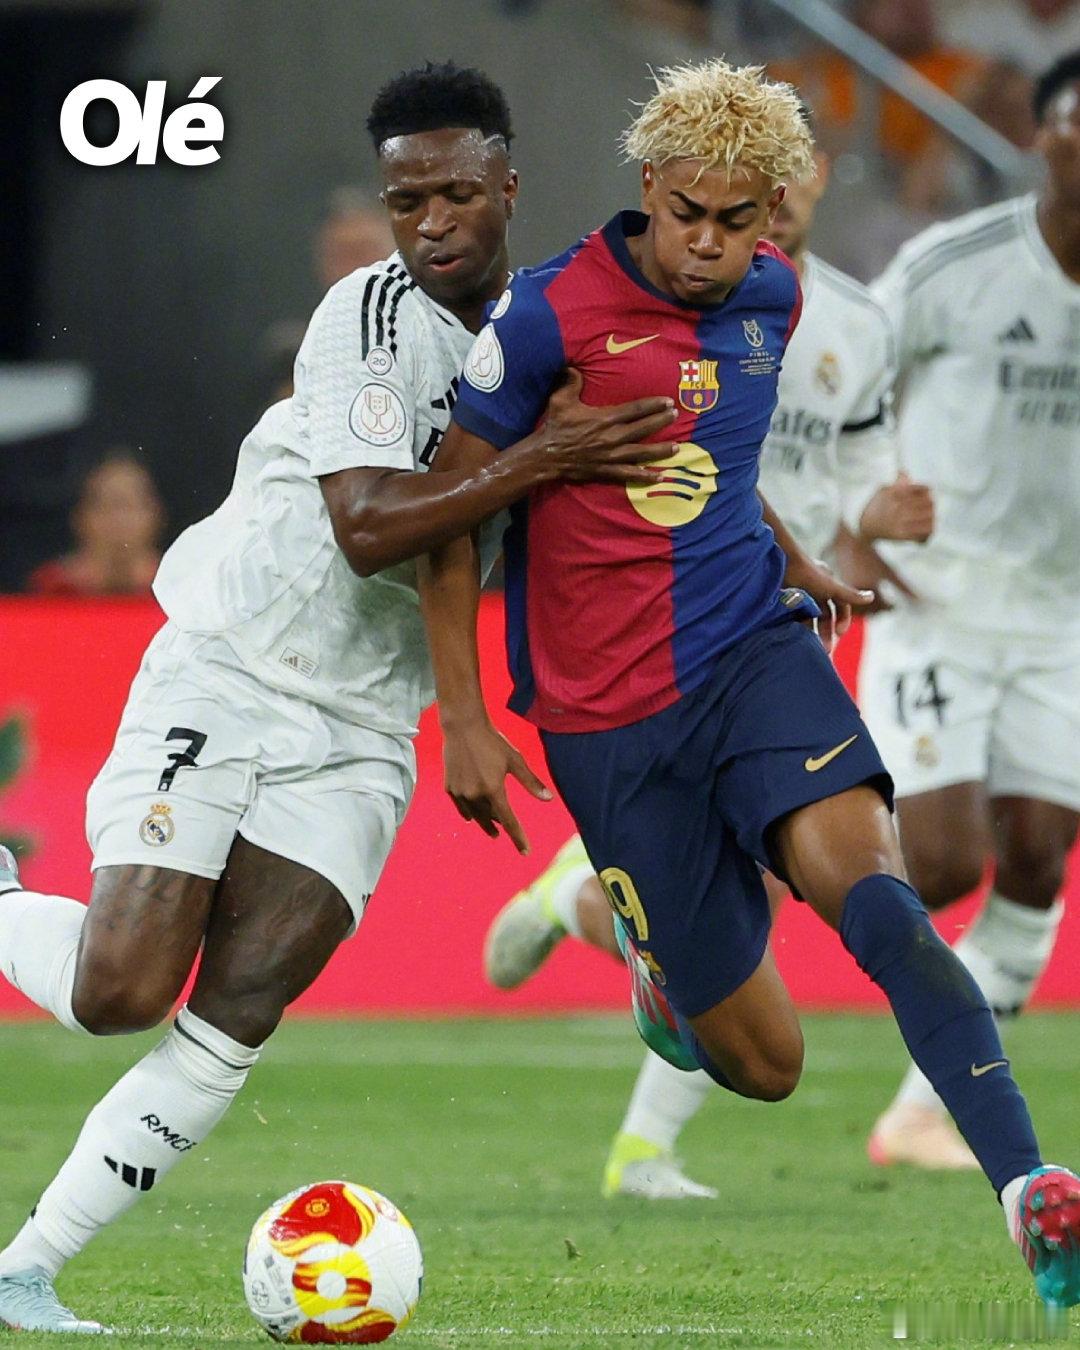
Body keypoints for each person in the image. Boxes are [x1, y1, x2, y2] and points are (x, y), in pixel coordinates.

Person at [0, 62, 675, 1334]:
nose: (431, 223)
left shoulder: (553, 332)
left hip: (365, 727)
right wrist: (546, 456)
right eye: (406, 200)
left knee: (241, 1006)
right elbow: (371, 529)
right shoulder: (364, 319)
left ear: (509, 186)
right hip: (234, 663)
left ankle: (24, 1267)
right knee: (119, 992)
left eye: (456, 194)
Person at [418, 58, 1080, 1308]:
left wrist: (794, 555)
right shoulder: (549, 316)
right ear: (649, 188)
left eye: (739, 220)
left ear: (776, 211)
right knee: (766, 1065)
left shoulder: (775, 296)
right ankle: (654, 964)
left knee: (885, 907)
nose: (711, 246)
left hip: (751, 651)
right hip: (607, 719)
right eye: (688, 215)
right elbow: (447, 515)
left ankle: (1029, 1190)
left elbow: (719, 458)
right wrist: (461, 715)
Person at [479, 117, 936, 1201]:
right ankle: (590, 924)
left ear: (793, 190)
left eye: (767, 193)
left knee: (787, 887)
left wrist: (865, 525)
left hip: (776, 618)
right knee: (757, 904)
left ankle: (639, 1114)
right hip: (666, 623)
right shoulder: (613, 304)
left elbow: (861, 464)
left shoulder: (833, 314)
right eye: (700, 205)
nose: (727, 225)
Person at [860, 50, 1080, 1173]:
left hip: (1062, 618)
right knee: (937, 864)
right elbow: (838, 377)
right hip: (940, 595)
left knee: (1038, 857)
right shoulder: (959, 265)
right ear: (1044, 138)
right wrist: (853, 518)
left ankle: (918, 1113)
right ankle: (659, 884)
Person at [27, 452, 165, 598]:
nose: (119, 520)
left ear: (156, 513)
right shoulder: (50, 589)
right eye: (105, 506)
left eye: (129, 506)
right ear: (79, 517)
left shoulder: (178, 587)